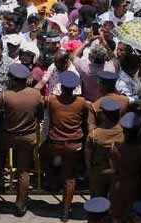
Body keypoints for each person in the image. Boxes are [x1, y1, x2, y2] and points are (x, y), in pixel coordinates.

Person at [0, 63, 44, 216]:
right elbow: (40, 115)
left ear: (13, 80)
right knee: (24, 172)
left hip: (8, 137)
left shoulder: (5, 95)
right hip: (28, 137)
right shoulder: (36, 95)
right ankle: (21, 203)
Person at [45, 70, 89, 221]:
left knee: (44, 155)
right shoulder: (82, 102)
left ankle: (51, 181)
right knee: (70, 178)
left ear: (61, 87)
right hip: (74, 145)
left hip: (55, 144)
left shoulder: (52, 100)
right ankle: (65, 211)